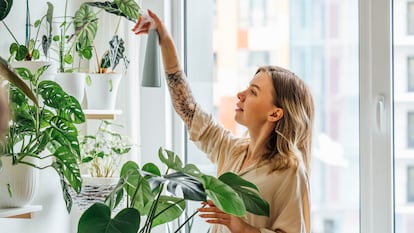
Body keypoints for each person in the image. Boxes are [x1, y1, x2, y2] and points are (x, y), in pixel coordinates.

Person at [132, 10, 315, 233]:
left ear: (275, 114)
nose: (241, 94)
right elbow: (187, 109)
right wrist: (165, 40)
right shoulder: (233, 151)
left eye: (253, 92)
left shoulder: (290, 171)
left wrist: (242, 228)